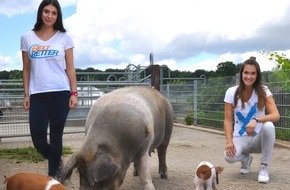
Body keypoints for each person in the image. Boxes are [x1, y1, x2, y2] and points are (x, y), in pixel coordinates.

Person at [21, 0, 78, 179]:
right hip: (37, 94)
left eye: (54, 13)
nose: (50, 16)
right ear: (40, 13)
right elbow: (26, 68)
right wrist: (27, 94)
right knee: (37, 138)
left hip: (60, 92)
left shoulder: (64, 37)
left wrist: (74, 92)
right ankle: (57, 159)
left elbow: (70, 68)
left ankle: (53, 176)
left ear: (58, 16)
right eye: (46, 11)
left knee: (56, 136)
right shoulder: (27, 38)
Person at [223, 57, 280, 183]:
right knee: (228, 157)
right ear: (241, 74)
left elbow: (276, 115)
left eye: (253, 73)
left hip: (258, 139)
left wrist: (256, 120)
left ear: (257, 75)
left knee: (269, 126)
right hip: (240, 138)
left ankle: (264, 168)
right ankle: (245, 160)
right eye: (246, 73)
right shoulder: (231, 92)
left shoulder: (263, 91)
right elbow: (227, 120)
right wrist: (229, 142)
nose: (249, 76)